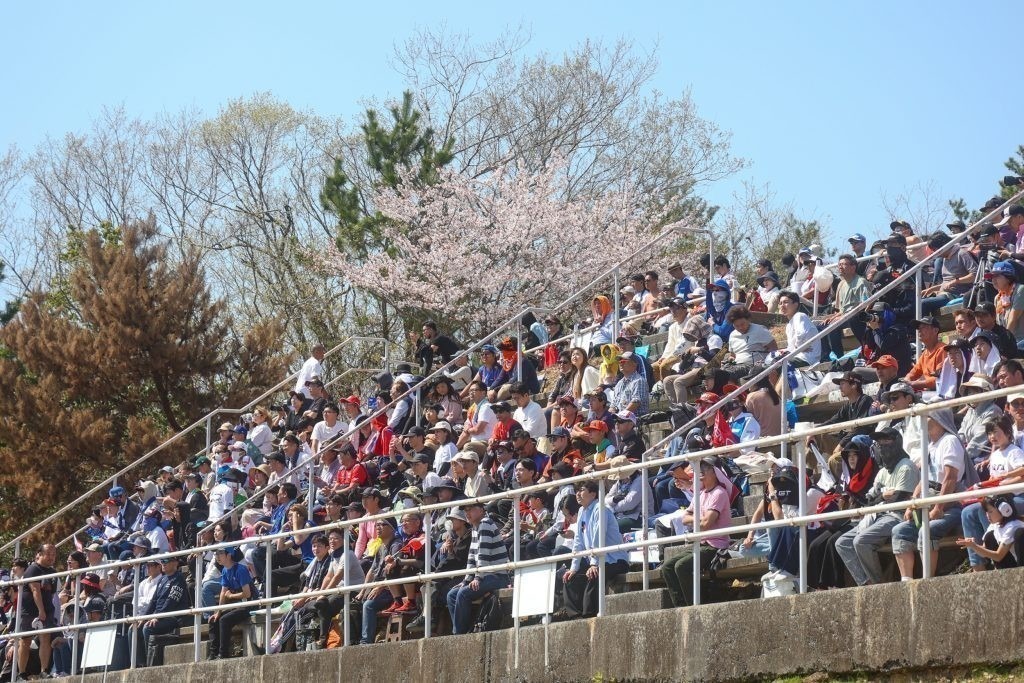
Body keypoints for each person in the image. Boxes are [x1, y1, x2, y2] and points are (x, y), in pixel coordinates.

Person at [890, 407, 969, 581]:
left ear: (939, 420)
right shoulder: (930, 445)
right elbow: (923, 479)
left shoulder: (950, 441)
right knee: (899, 531)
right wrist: (913, 504)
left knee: (927, 530)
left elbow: (950, 478)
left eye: (928, 416)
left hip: (951, 504)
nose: (924, 420)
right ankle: (907, 581)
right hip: (927, 502)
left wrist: (939, 507)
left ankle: (928, 581)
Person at [659, 458, 734, 608]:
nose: (700, 473)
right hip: (700, 542)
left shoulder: (719, 493)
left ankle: (696, 605)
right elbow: (685, 518)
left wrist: (696, 519)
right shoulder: (700, 494)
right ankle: (681, 606)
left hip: (715, 545)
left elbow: (707, 524)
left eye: (704, 470)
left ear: (714, 472)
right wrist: (700, 518)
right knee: (667, 567)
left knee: (681, 566)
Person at [556, 480, 629, 618]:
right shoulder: (582, 511)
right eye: (577, 490)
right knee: (570, 577)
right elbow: (578, 542)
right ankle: (575, 616)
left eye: (582, 490)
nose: (577, 494)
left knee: (594, 575)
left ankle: (589, 615)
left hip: (615, 560)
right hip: (597, 560)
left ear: (593, 493)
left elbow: (598, 537)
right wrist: (573, 568)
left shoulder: (600, 509)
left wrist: (594, 563)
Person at [959, 415, 1024, 571]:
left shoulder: (1014, 452)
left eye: (996, 432)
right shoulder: (994, 455)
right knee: (968, 512)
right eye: (989, 433)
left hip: (1017, 497)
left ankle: (998, 553)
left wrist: (1005, 481)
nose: (992, 436)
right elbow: (993, 480)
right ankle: (978, 564)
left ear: (1008, 433)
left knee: (987, 510)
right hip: (999, 499)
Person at [446, 502, 509, 634]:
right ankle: (463, 630)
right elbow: (472, 556)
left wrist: (478, 578)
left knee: (463, 594)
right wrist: (466, 581)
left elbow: (483, 554)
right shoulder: (475, 527)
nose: (467, 513)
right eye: (465, 510)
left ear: (481, 510)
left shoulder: (485, 523)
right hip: (487, 574)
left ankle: (459, 635)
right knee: (452, 595)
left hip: (497, 576)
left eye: (470, 509)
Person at [15, 544, 58, 680]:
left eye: (53, 554)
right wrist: (41, 611)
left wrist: (47, 610)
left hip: (47, 609)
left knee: (45, 638)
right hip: (30, 610)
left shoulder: (52, 571)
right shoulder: (33, 569)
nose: (52, 557)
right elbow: (35, 591)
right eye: (49, 554)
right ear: (40, 554)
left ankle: (44, 670)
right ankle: (21, 673)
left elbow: (51, 592)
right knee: (25, 640)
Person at [207, 546, 254, 660]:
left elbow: (247, 594)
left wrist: (231, 595)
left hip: (248, 605)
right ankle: (213, 653)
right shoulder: (224, 570)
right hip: (237, 604)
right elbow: (223, 593)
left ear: (229, 555)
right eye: (216, 554)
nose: (217, 556)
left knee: (224, 620)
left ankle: (223, 654)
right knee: (214, 620)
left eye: (220, 553)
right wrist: (218, 612)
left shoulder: (241, 569)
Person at [956, 494, 1024, 570]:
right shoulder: (994, 525)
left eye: (990, 511)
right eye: (986, 512)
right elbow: (984, 552)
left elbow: (998, 556)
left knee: (1020, 533)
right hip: (1014, 562)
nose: (987, 515)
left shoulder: (1013, 526)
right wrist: (973, 545)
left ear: (1004, 509)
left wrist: (974, 546)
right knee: (989, 536)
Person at [903, 316, 948, 392]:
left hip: (942, 393)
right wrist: (907, 379)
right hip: (931, 393)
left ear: (935, 330)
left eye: (924, 327)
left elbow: (940, 379)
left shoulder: (943, 350)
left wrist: (914, 383)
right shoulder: (925, 354)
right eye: (919, 328)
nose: (919, 330)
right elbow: (913, 372)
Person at [778, 291, 820, 367]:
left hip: (807, 358)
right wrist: (785, 350)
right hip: (797, 356)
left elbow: (801, 334)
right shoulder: (789, 325)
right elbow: (791, 347)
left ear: (796, 304)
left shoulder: (800, 316)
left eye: (786, 302)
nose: (782, 306)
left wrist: (798, 348)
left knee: (777, 366)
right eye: (780, 303)